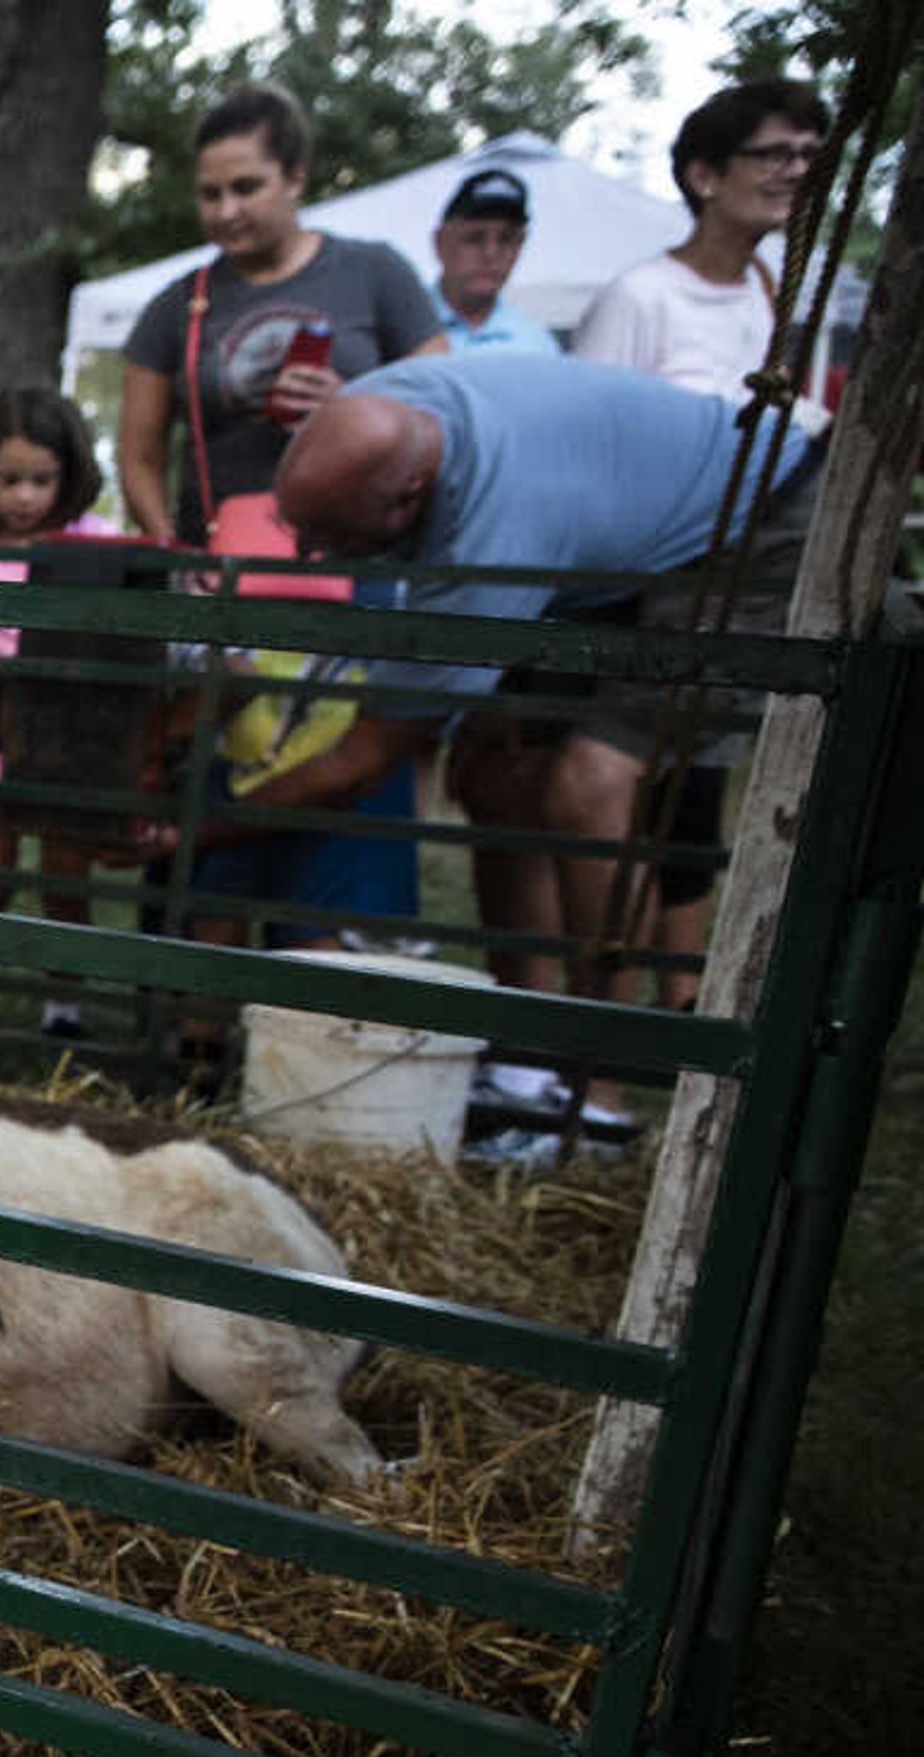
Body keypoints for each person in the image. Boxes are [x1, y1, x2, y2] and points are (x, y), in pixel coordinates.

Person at [261, 355, 828, 1126]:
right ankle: (525, 1060)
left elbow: (370, 752)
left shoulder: (493, 522)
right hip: (606, 549)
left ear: (409, 495)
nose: (310, 553)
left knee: (592, 781)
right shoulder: (371, 411)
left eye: (329, 533)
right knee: (494, 770)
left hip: (749, 521)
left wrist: (216, 816)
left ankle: (597, 1095)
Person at [115, 84, 447, 959]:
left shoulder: (375, 274)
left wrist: (353, 404)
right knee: (216, 787)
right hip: (224, 583)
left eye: (248, 187)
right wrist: (173, 549)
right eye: (211, 192)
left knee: (345, 787)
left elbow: (447, 411)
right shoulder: (176, 304)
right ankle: (195, 1036)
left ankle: (331, 1006)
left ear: (297, 177)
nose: (226, 210)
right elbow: (140, 453)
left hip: (355, 582)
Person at [0, 387, 126, 1040]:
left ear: (70, 474)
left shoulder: (97, 547)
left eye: (41, 480)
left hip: (71, 743)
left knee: (66, 875)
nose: (23, 496)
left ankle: (62, 1007)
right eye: (8, 479)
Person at [575, 78, 832, 436]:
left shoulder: (763, 288)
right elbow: (587, 432)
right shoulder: (639, 298)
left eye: (809, 156)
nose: (798, 172)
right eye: (776, 156)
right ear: (704, 178)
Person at [430, 164, 558, 354]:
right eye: (474, 238)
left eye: (506, 239)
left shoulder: (537, 345)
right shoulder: (396, 330)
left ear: (520, 247)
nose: (490, 253)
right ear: (440, 243)